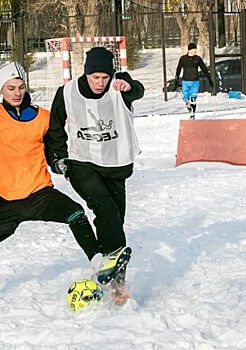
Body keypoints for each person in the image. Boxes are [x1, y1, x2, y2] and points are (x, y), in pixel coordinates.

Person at [0, 62, 124, 306]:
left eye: (21, 87)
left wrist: (59, 164)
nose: (17, 92)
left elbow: (55, 151)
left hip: (38, 195)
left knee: (76, 214)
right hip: (4, 202)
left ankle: (99, 265)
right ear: (1, 90)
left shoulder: (43, 117)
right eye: (11, 87)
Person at [47, 47, 144, 304]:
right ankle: (111, 274)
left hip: (115, 164)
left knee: (114, 220)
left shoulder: (119, 85)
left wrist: (126, 85)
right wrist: (57, 159)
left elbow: (137, 90)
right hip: (82, 163)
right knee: (104, 207)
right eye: (95, 77)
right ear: (86, 73)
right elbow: (55, 127)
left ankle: (113, 276)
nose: (100, 83)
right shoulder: (67, 92)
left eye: (104, 77)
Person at [174, 42, 214, 119]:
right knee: (186, 98)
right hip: (185, 81)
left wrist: (209, 79)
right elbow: (178, 69)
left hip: (195, 82)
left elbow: (204, 69)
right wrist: (176, 78)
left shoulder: (198, 59)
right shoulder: (183, 59)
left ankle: (192, 114)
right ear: (189, 50)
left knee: (193, 99)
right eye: (193, 49)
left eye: (196, 49)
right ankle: (188, 104)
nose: (195, 50)